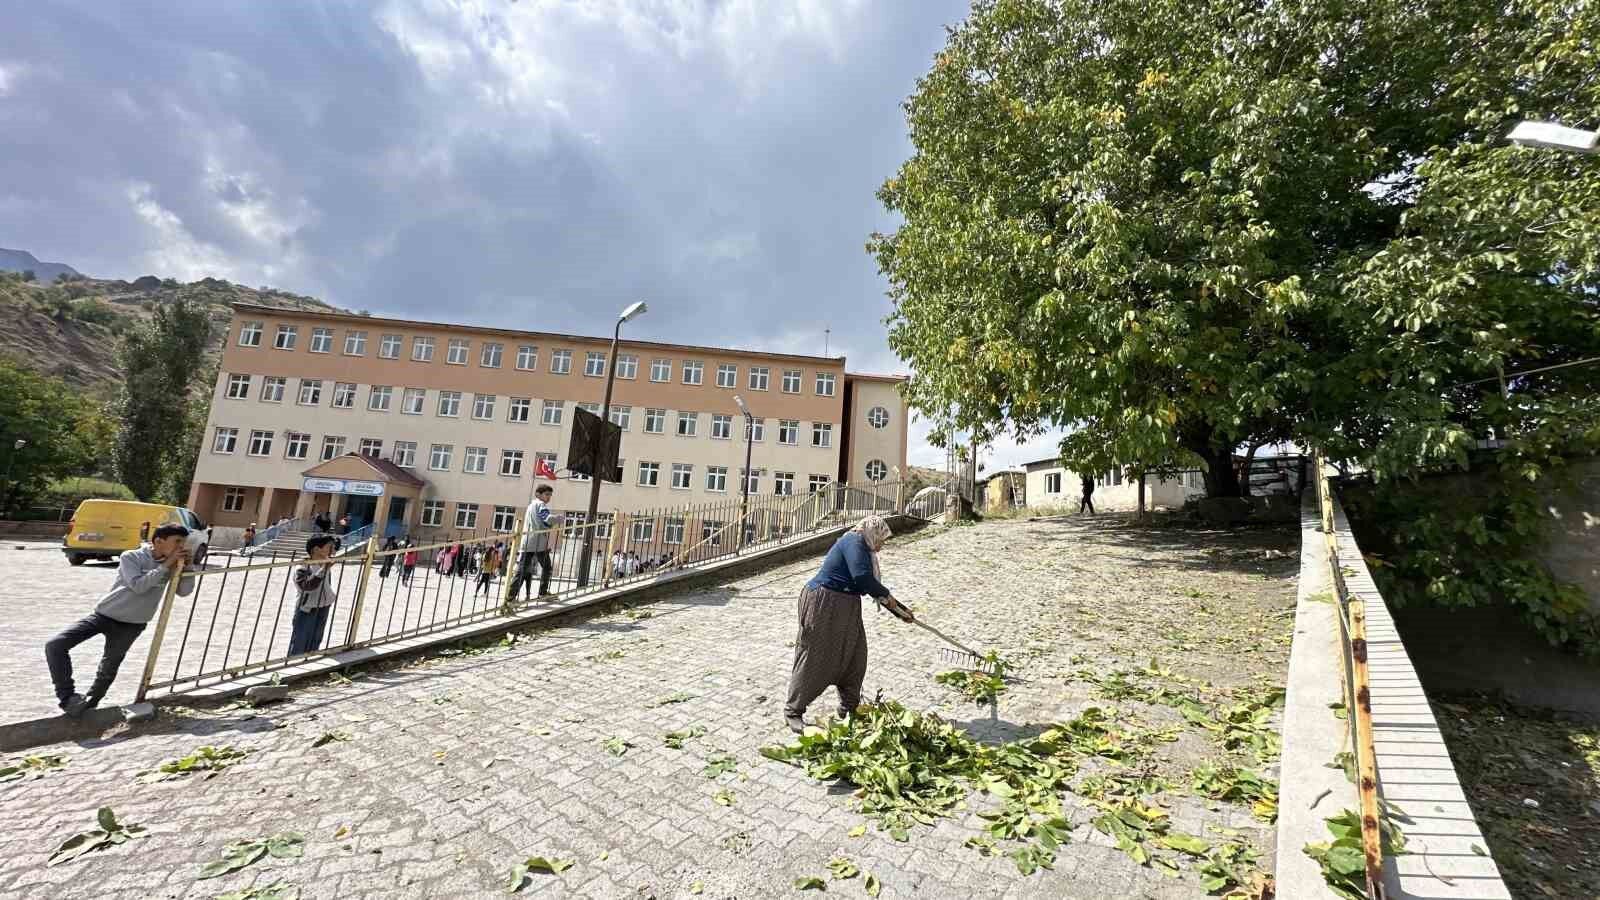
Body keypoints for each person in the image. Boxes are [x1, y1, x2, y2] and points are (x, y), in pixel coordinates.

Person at [45, 524, 195, 717]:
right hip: (104, 615)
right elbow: (138, 586)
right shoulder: (131, 557)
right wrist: (165, 566)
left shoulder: (175, 563)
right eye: (177, 542)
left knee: (109, 667)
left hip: (133, 624)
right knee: (55, 645)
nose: (181, 546)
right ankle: (67, 697)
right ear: (158, 541)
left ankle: (88, 705)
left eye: (184, 542)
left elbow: (184, 592)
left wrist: (187, 567)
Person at [783, 515, 914, 734]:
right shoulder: (853, 541)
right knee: (814, 655)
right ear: (872, 533)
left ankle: (848, 707)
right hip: (823, 602)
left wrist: (901, 611)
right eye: (881, 540)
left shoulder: (865, 548)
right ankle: (793, 711)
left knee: (854, 654)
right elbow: (862, 577)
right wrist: (888, 596)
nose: (881, 546)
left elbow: (872, 586)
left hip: (847, 605)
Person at [508, 484, 559, 601]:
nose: (548, 497)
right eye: (546, 494)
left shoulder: (531, 506)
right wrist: (558, 519)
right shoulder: (541, 505)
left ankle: (510, 597)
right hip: (539, 542)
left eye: (550, 495)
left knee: (521, 570)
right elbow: (547, 518)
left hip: (527, 541)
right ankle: (542, 592)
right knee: (547, 567)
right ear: (538, 494)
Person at [289, 535, 338, 656]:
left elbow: (326, 585)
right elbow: (306, 587)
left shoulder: (325, 565)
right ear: (316, 549)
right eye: (329, 547)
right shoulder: (303, 567)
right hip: (307, 609)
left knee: (316, 639)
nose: (333, 550)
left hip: (323, 607)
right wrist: (323, 570)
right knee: (300, 641)